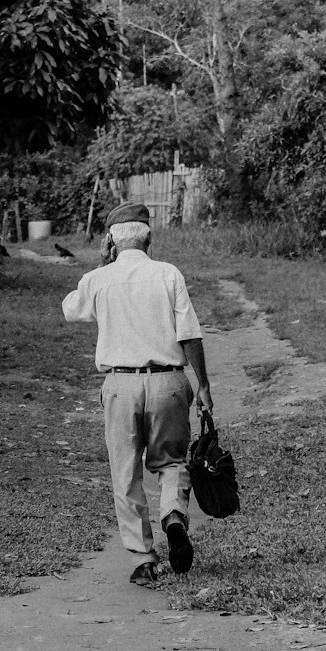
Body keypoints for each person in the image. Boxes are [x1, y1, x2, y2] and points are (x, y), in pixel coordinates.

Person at [61, 201, 213, 588]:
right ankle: (174, 517)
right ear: (150, 238)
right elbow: (189, 334)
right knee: (171, 461)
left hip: (121, 386)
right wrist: (204, 386)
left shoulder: (100, 279)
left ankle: (144, 558)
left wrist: (100, 263)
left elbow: (72, 310)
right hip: (168, 382)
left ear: (110, 242)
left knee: (125, 472)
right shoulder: (168, 274)